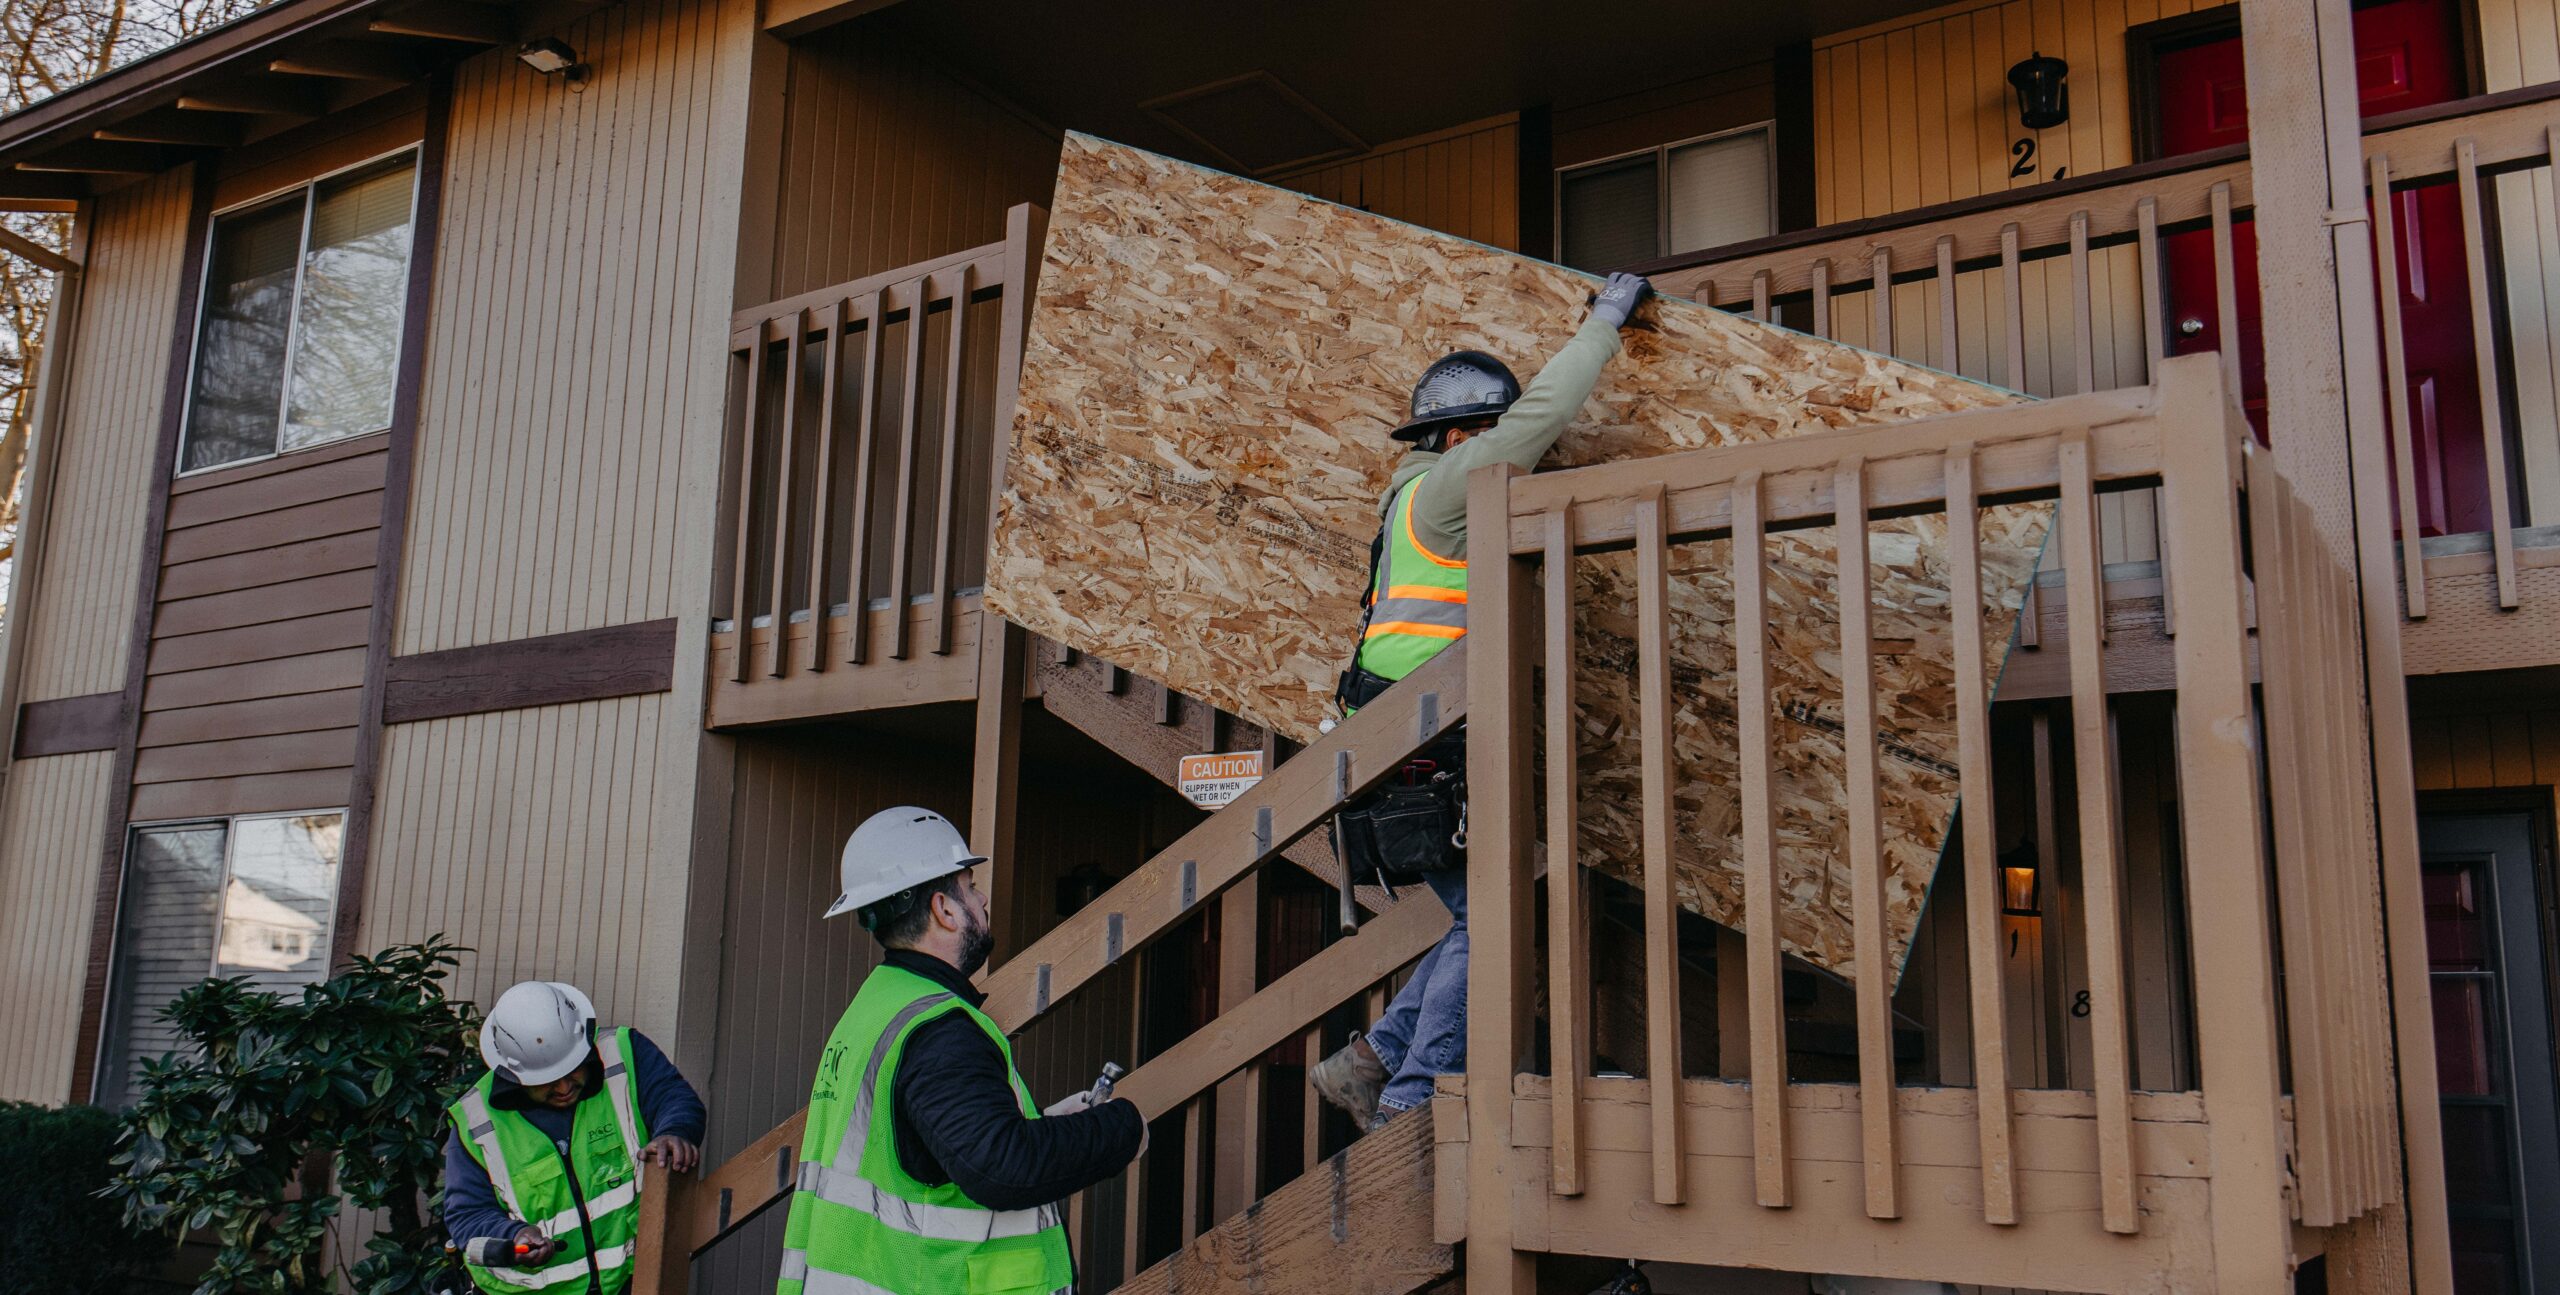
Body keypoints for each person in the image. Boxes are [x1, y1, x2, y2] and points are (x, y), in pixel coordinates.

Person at [1313, 270, 1655, 1132]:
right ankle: (1410, 1091)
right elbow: (1543, 413)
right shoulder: (1448, 490)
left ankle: (1372, 1060)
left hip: (1410, 735)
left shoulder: (1409, 499)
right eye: (1488, 433)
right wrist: (1606, 323)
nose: (1504, 445)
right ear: (1461, 434)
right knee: (1491, 915)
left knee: (1479, 911)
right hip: (1423, 738)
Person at [777, 807, 1146, 1295]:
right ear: (944, 910)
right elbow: (1001, 1168)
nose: (983, 897)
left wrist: (1046, 1125)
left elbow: (934, 1150)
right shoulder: (940, 1030)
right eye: (970, 887)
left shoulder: (880, 1005)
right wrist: (1121, 1128)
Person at [444, 980, 706, 1294]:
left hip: (629, 1281)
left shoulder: (625, 1054)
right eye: (548, 1082)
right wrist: (511, 1235)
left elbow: (674, 1099)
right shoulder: (476, 1120)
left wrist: (674, 1132)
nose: (565, 1087)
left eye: (573, 1070)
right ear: (512, 1075)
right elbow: (467, 1216)